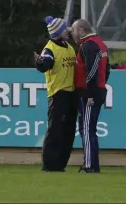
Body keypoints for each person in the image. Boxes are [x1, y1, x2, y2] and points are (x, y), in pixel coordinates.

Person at [34, 16, 77, 172]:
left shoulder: (69, 47)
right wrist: (40, 62)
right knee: (55, 130)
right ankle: (49, 164)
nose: (68, 31)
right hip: (58, 94)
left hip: (72, 94)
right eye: (65, 29)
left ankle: (60, 164)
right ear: (58, 31)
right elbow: (45, 63)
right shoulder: (50, 48)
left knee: (68, 131)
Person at [71, 19, 110, 173]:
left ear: (81, 30)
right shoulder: (100, 43)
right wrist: (100, 86)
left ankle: (89, 166)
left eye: (74, 30)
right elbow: (106, 70)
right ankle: (93, 164)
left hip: (89, 93)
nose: (72, 34)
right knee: (90, 129)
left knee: (86, 129)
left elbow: (91, 72)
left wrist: (90, 94)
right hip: (97, 90)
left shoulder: (89, 45)